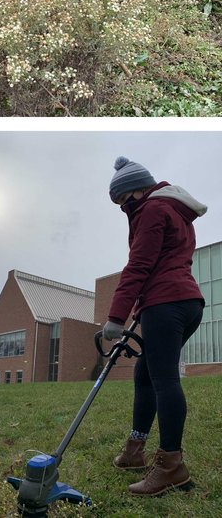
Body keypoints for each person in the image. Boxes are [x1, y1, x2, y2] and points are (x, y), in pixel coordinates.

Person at [102, 156, 206, 496]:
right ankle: (135, 450)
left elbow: (139, 265)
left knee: (163, 379)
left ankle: (171, 466)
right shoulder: (174, 210)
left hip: (167, 303)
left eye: (122, 202)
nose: (123, 209)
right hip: (184, 303)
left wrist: (116, 317)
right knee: (145, 375)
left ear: (136, 191)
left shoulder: (151, 210)